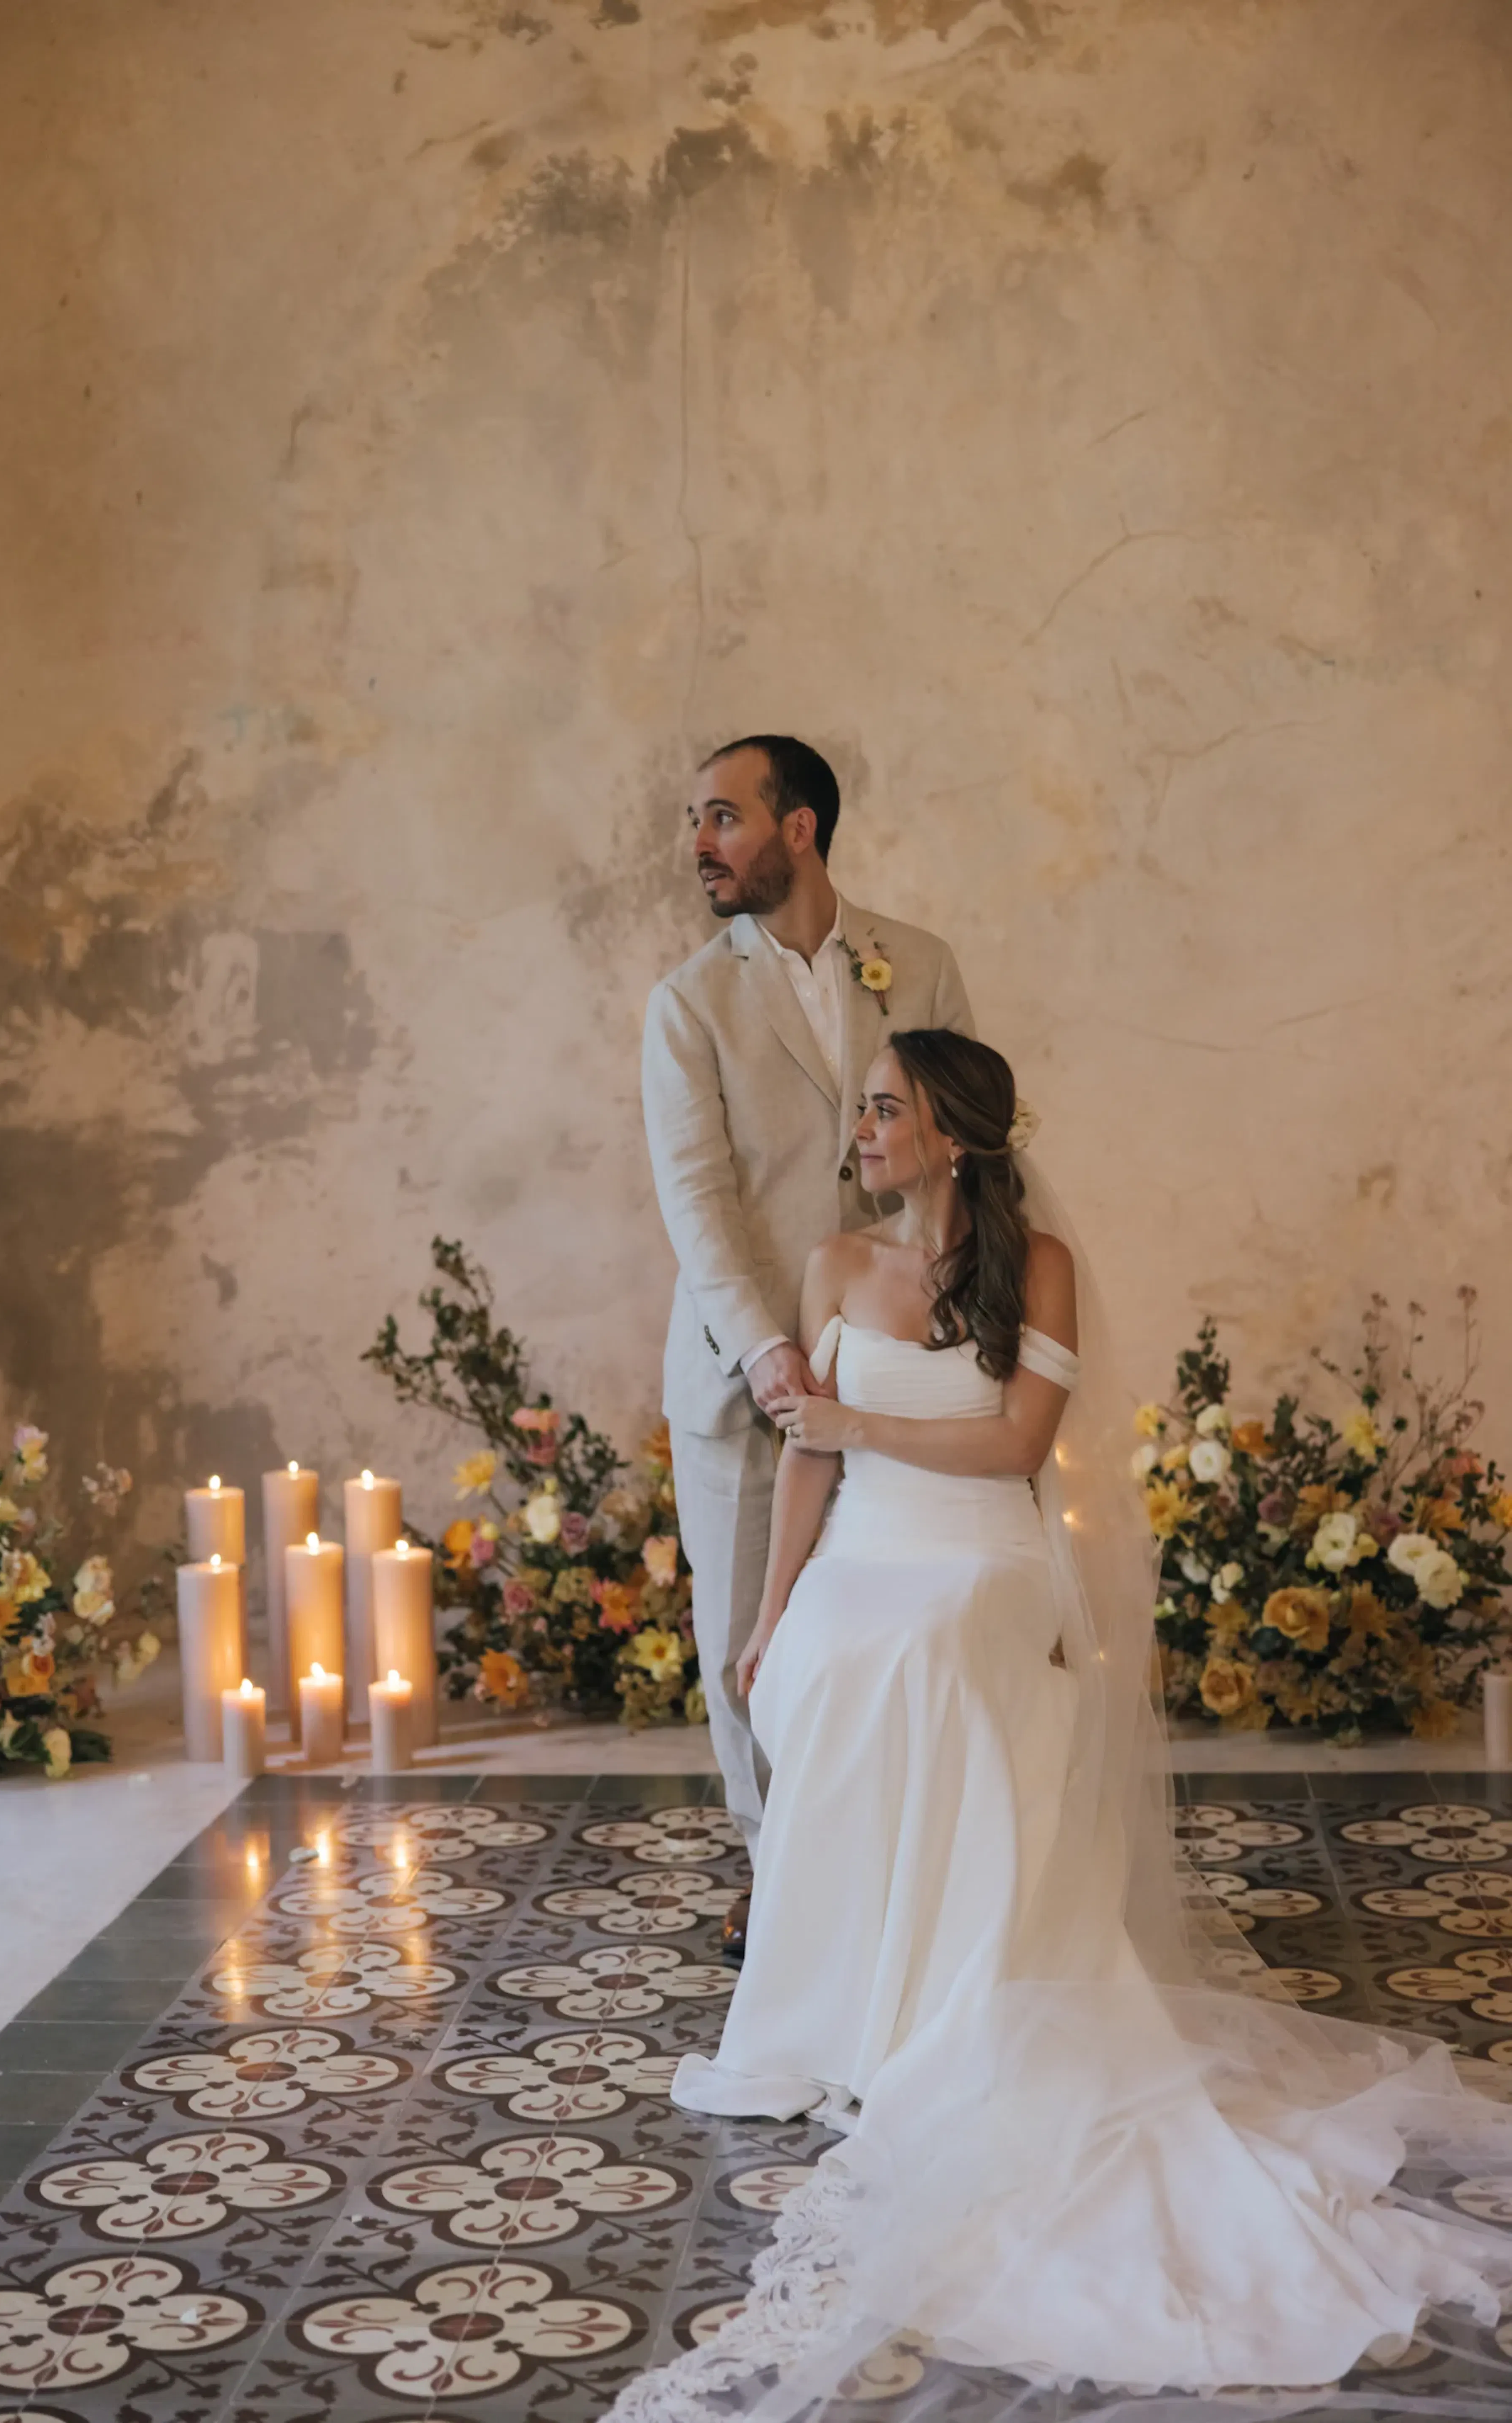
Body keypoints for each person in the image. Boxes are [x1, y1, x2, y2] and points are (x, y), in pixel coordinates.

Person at [611, 1030, 1512, 2423]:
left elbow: (1018, 1447)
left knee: (926, 1647)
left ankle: (942, 2011)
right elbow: (804, 1459)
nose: (862, 1131)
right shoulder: (837, 1262)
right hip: (861, 1547)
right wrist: (771, 1607)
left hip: (983, 1552)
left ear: (952, 1134)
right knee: (834, 1652)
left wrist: (854, 1418)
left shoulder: (1036, 1268)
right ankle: (833, 2013)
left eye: (885, 1109)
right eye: (864, 1108)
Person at [641, 736, 971, 1950]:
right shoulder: (689, 1004)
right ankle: (780, 1875)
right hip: (748, 1380)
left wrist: (955, 1323)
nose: (700, 845)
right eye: (695, 821)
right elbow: (697, 1201)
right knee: (754, 1642)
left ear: (799, 828)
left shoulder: (918, 965)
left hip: (899, 1366)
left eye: (723, 817)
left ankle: (897, 1864)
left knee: (891, 1626)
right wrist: (764, 1349)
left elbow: (973, 1144)